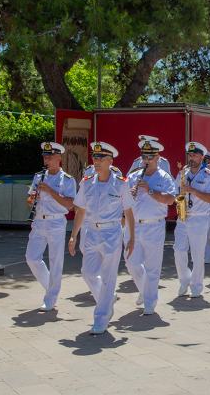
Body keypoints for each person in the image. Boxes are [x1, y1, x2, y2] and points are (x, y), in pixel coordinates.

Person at [68, 142, 135, 335]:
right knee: (87, 273)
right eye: (94, 158)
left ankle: (101, 317)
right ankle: (107, 300)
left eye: (100, 158)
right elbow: (81, 210)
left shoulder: (121, 183)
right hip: (91, 232)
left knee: (108, 278)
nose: (96, 162)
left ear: (110, 161)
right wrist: (73, 236)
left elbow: (129, 212)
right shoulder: (87, 182)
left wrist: (131, 238)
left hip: (112, 232)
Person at [125, 139, 177, 315]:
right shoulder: (133, 176)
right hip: (134, 226)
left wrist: (150, 191)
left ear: (158, 157)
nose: (146, 160)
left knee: (152, 267)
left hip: (154, 225)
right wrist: (129, 195)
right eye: (144, 156)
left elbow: (171, 199)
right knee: (131, 262)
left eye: (150, 156)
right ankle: (144, 290)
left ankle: (150, 302)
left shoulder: (164, 177)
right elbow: (123, 201)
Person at [25, 142, 77, 312]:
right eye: (44, 156)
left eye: (49, 157)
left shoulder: (68, 180)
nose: (46, 160)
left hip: (56, 222)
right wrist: (31, 199)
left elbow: (70, 205)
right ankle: (51, 288)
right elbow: (29, 200)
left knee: (55, 261)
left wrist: (50, 191)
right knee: (31, 258)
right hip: (39, 221)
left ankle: (51, 298)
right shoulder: (39, 176)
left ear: (59, 158)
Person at [174, 142, 210, 298]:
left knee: (197, 255)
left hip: (200, 218)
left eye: (194, 155)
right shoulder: (182, 173)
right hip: (183, 217)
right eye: (190, 155)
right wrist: (178, 199)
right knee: (178, 250)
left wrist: (192, 190)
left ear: (201, 157)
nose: (191, 158)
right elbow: (175, 192)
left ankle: (197, 286)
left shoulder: (208, 174)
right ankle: (185, 279)